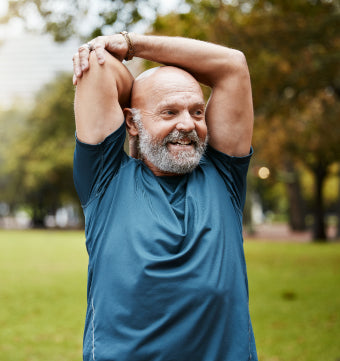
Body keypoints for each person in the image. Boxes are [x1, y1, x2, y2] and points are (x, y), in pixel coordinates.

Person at [72, 32, 257, 361]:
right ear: (131, 121)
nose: (187, 124)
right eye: (169, 113)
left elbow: (233, 66)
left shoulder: (224, 175)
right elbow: (99, 70)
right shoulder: (106, 180)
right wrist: (133, 87)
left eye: (197, 112)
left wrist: (131, 45)